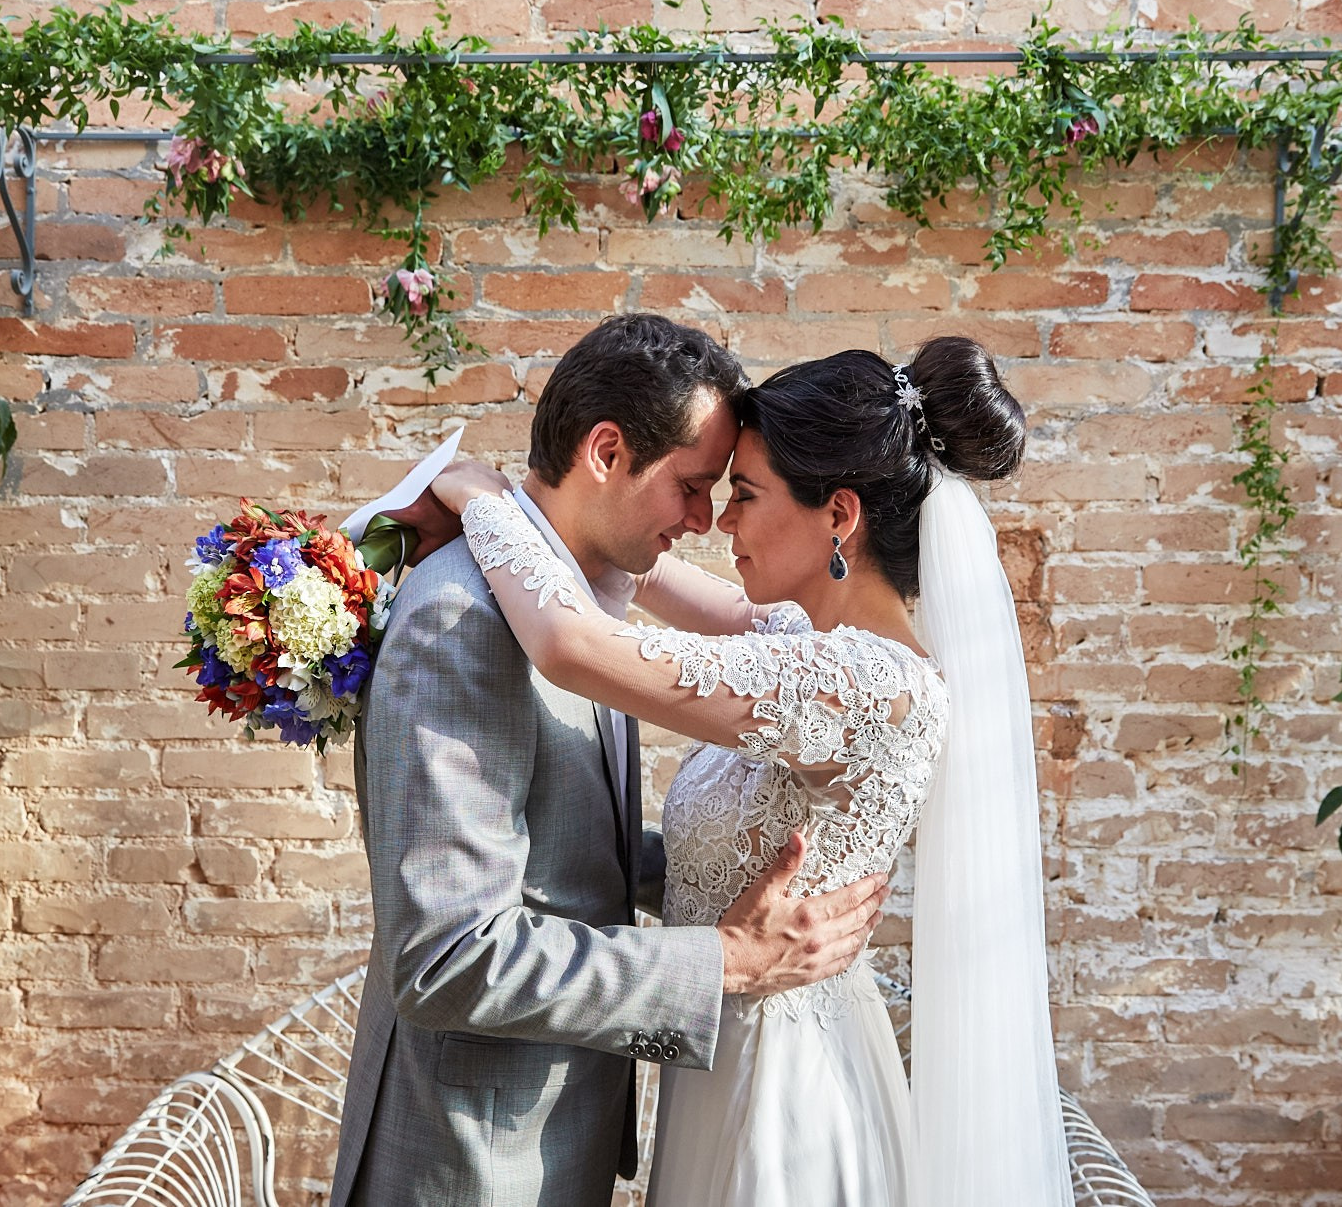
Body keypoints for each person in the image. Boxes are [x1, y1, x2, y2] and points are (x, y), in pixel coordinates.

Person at [429, 335, 1074, 1207]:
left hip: (787, 1092)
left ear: (838, 515)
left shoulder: (866, 686)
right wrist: (582, 508)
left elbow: (572, 645)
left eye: (744, 494)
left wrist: (478, 493)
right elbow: (655, 568)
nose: (718, 521)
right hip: (727, 1047)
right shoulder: (803, 642)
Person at [331, 314, 893, 1207]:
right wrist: (725, 961)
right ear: (605, 450)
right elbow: (448, 957)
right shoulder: (464, 622)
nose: (707, 519)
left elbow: (570, 842)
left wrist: (725, 868)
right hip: (473, 1162)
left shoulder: (576, 600)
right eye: (693, 486)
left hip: (554, 1141)